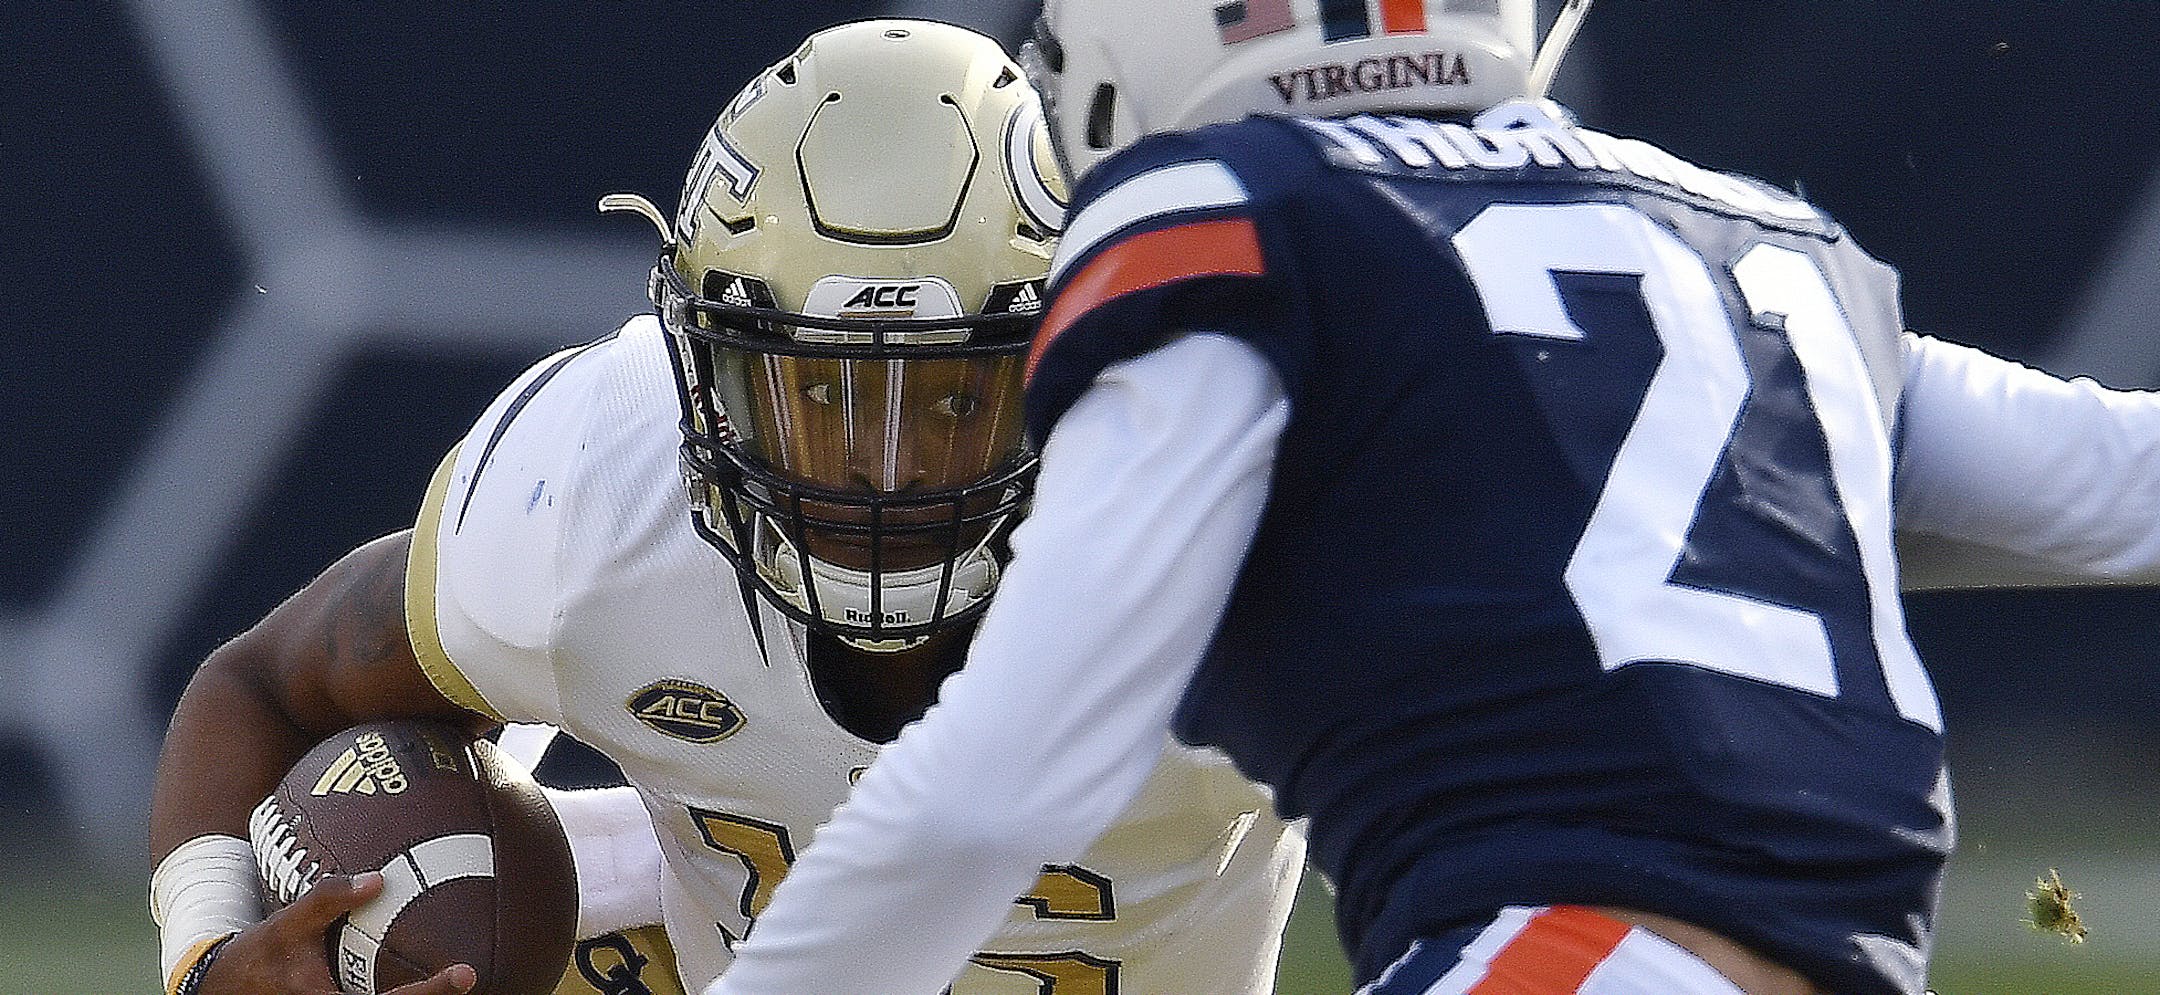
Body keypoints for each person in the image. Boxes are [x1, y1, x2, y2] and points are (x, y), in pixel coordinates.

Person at [700, 3, 2160, 995]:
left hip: (1569, 939)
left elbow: (998, 787)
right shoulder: (1759, 245)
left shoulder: (1239, 222)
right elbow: (2118, 480)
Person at [146, 19, 1305, 995]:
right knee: (425, 935)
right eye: (817, 389)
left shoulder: (1235, 557)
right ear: (706, 375)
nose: (877, 466)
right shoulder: (595, 495)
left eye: (950, 392)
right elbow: (260, 683)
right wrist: (208, 954)